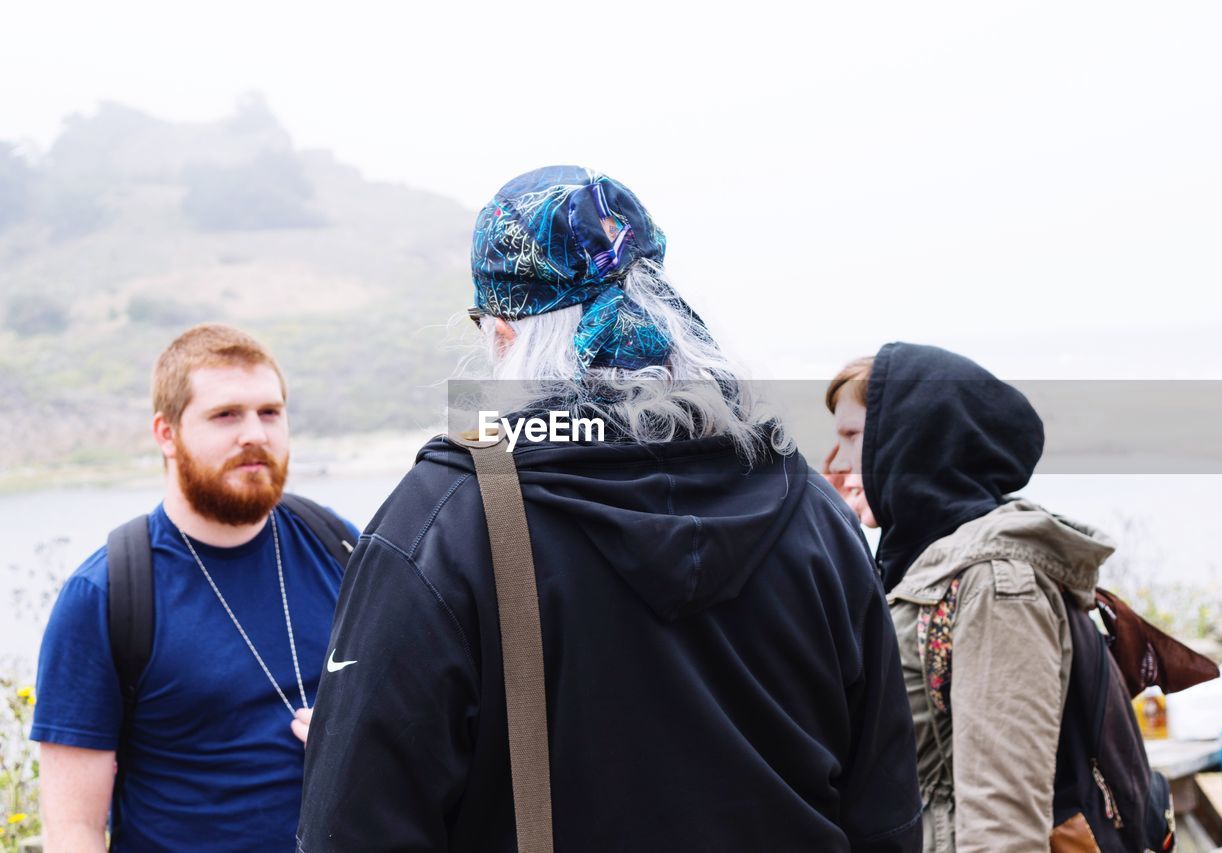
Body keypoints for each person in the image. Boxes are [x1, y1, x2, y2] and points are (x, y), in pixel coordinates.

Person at [297, 166, 923, 852]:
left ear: (504, 336)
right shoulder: (810, 511)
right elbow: (886, 817)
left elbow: (352, 830)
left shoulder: (443, 528)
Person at [32, 323, 358, 852]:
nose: (254, 433)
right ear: (166, 433)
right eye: (226, 414)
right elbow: (73, 829)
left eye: (270, 412)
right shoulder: (107, 594)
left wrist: (355, 732)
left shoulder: (338, 545)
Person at [824, 342, 1117, 852]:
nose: (834, 461)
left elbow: (1003, 822)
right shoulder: (916, 567)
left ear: (909, 442)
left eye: (852, 437)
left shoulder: (995, 583)